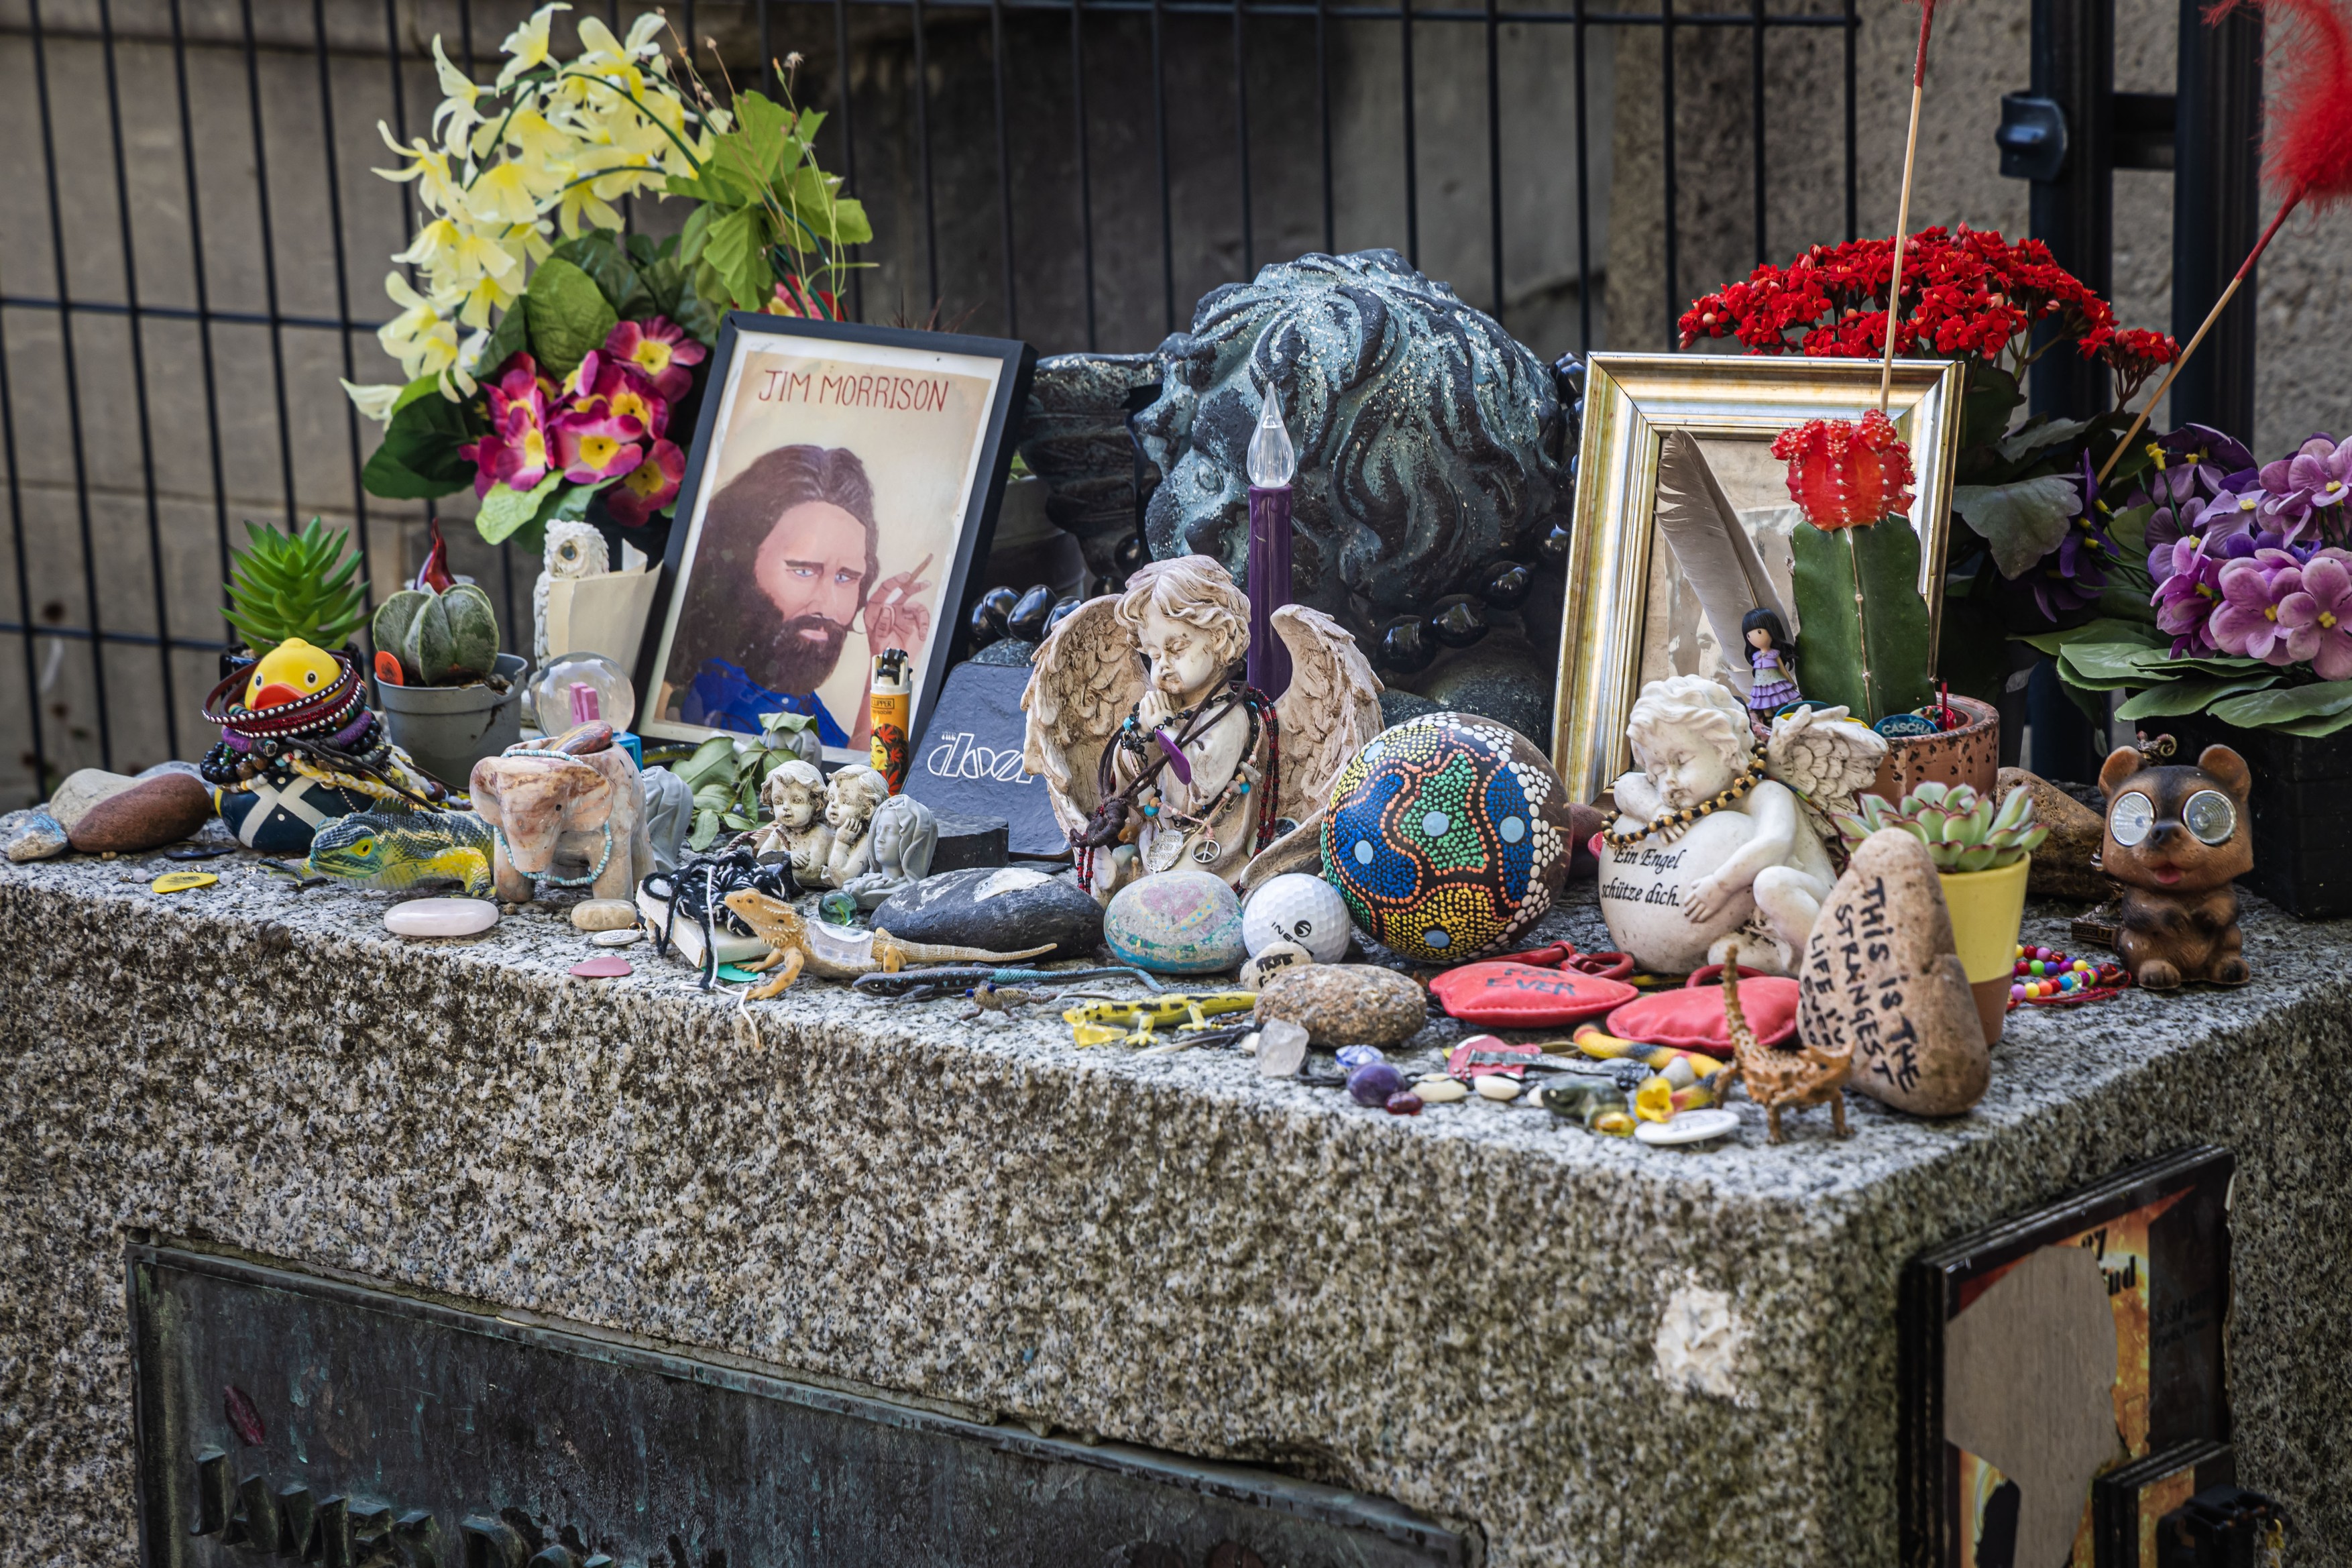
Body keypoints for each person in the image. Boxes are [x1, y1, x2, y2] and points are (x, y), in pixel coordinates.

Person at [667, 444, 930, 747]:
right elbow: (864, 775)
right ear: (741, 566)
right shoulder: (722, 702)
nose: (827, 606)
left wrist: (887, 662)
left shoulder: (794, 700)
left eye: (845, 577)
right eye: (803, 570)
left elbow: (868, 768)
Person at [1740, 607, 1799, 728]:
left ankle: (1783, 717)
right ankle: (1769, 721)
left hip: (1776, 683)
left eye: (1759, 632)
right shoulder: (1756, 656)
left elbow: (1782, 670)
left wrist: (1791, 682)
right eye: (1749, 635)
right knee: (1765, 703)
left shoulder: (1774, 654)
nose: (1754, 638)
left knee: (1780, 700)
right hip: (1761, 686)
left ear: (1772, 630)